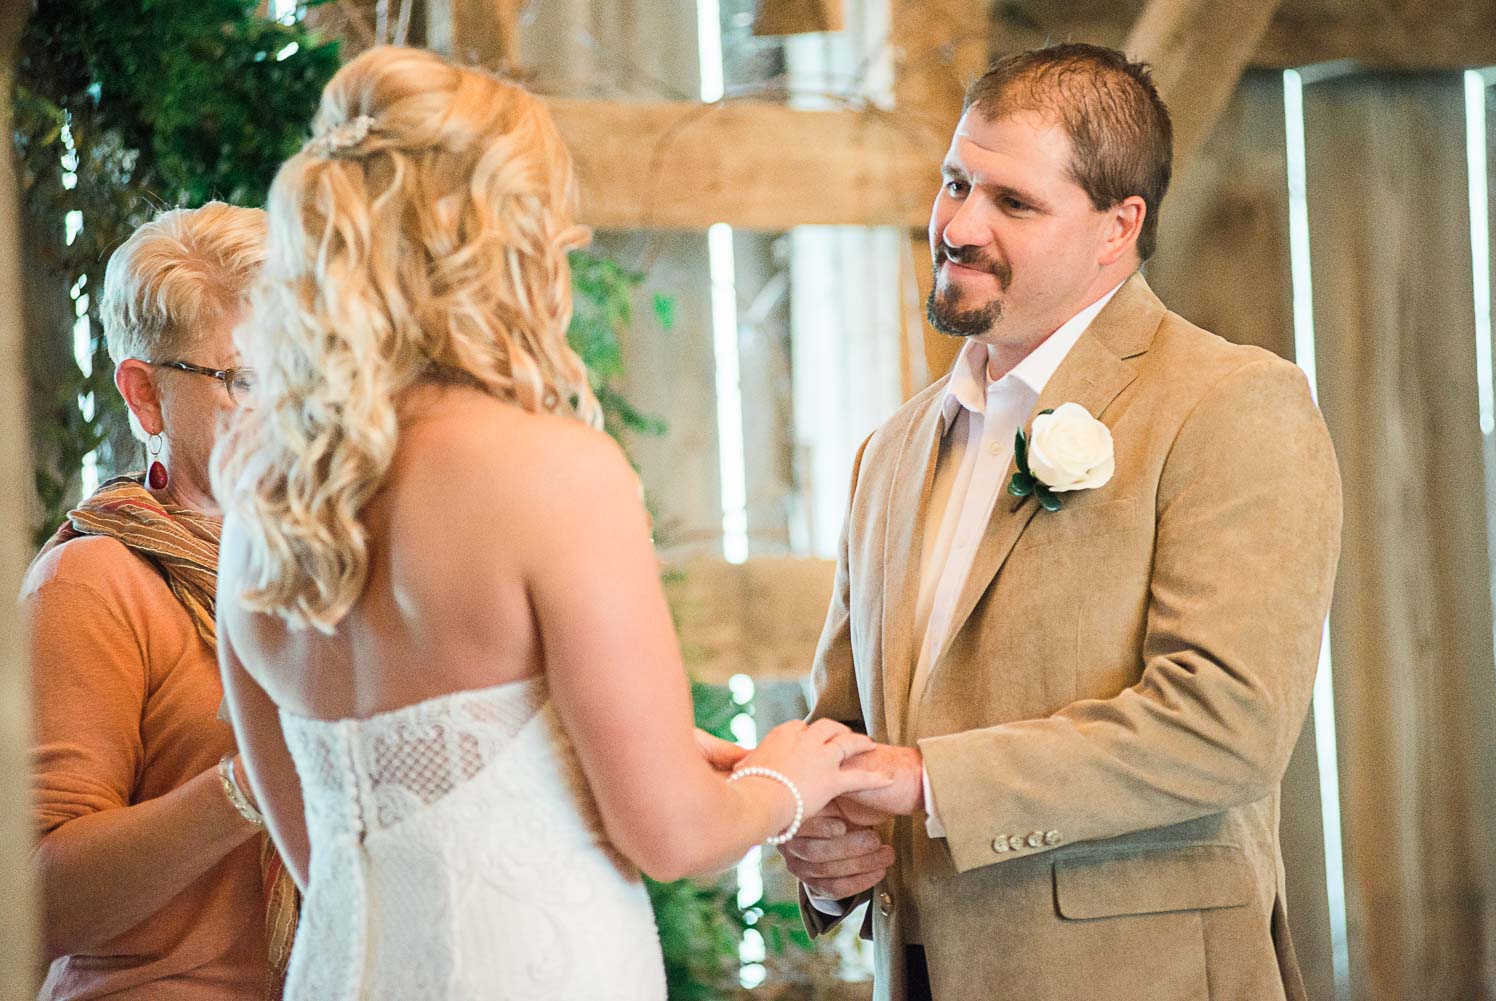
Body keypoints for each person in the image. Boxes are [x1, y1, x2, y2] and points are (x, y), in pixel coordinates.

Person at [210, 45, 889, 1001]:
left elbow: (334, 845)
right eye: (546, 217)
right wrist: (784, 777)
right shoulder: (550, 471)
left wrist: (574, 747)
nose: (567, 243)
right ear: (495, 241)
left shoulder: (259, 501)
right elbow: (675, 835)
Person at [777, 43, 1342, 1001]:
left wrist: (924, 781)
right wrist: (828, 841)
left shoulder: (1231, 404)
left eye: (1014, 202)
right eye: (957, 181)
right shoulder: (891, 451)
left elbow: (1226, 723)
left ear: (1118, 227)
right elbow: (851, 729)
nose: (957, 225)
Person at [24, 202, 296, 1000]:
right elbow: (34, 902)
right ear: (145, 396)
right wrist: (250, 785)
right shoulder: (92, 582)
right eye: (247, 379)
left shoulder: (330, 569)